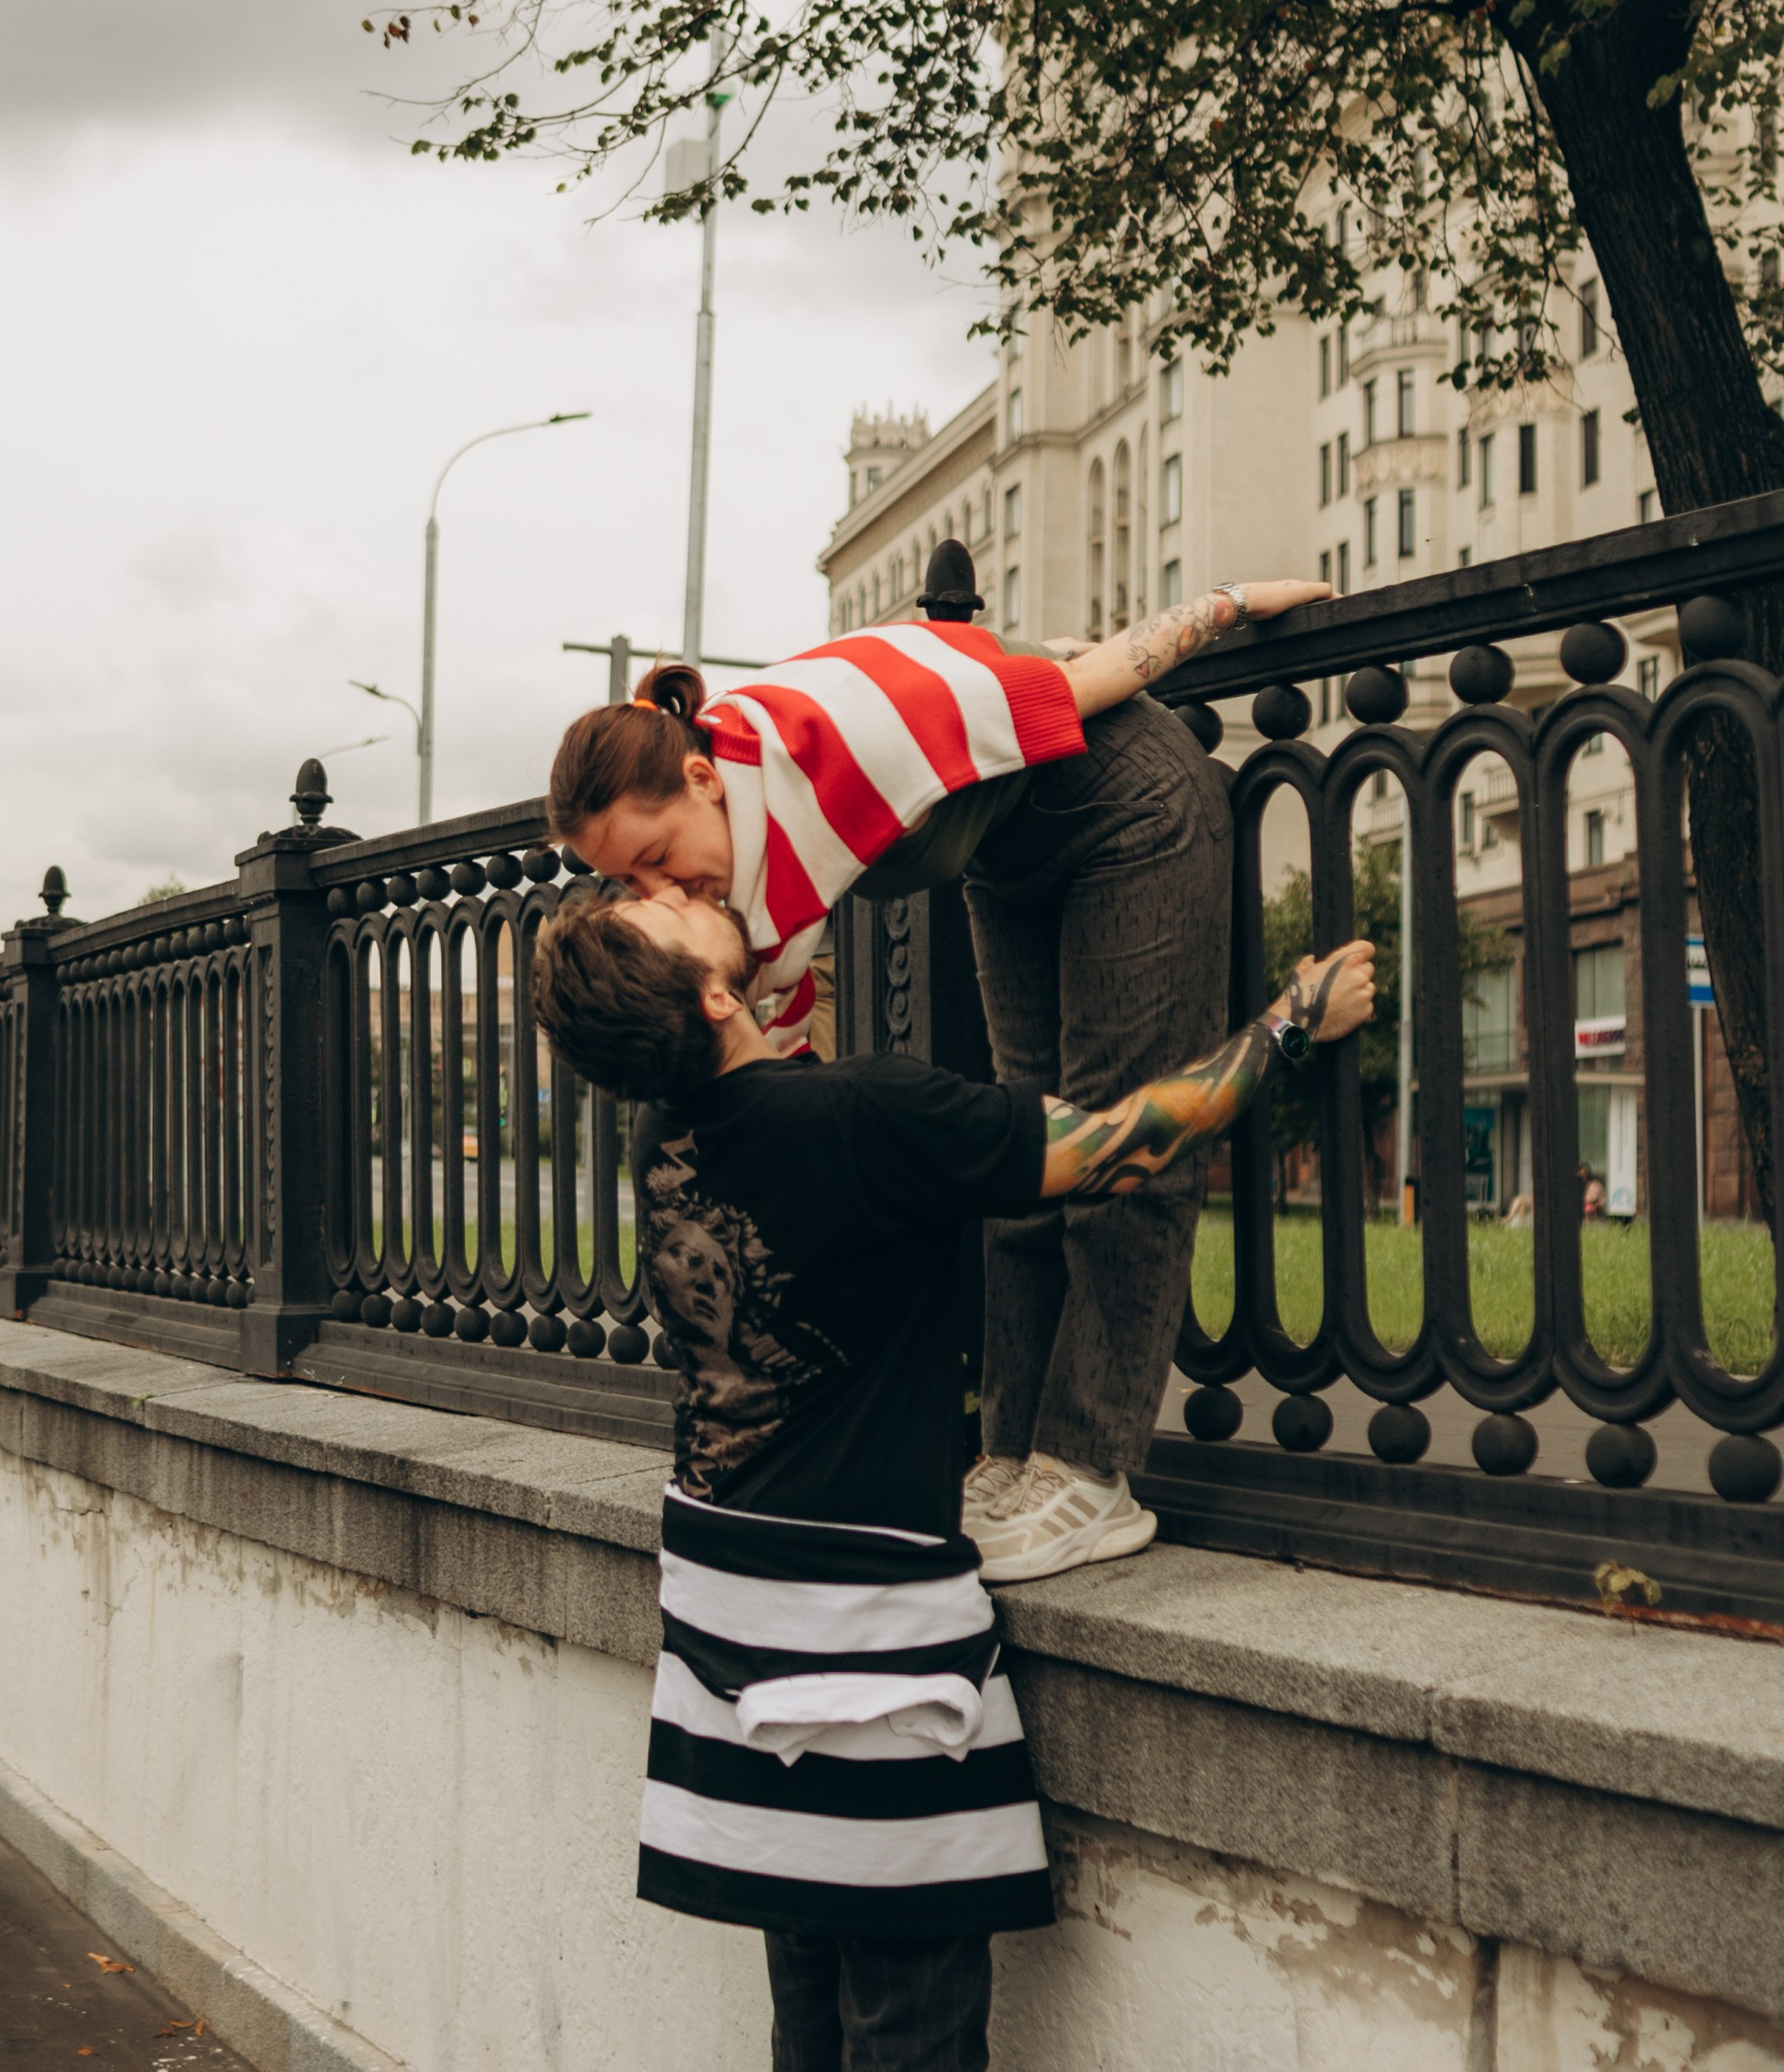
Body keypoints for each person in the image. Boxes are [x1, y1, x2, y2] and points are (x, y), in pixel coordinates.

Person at [530, 876, 1373, 2072]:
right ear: (703, 996)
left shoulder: (679, 1135)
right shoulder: (857, 1115)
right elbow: (1128, 1142)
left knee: (812, 1972)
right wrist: (1289, 1022)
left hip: (732, 1596)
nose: (709, 900)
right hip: (863, 1621)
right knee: (910, 2017)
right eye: (683, 911)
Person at [546, 572, 1330, 1583]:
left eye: (655, 859)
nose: (660, 892)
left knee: (1109, 1134)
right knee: (1018, 1145)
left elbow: (1087, 682)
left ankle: (1092, 1469)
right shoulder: (725, 884)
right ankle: (1011, 1451)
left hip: (1126, 804)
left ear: (703, 777)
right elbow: (769, 1080)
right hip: (1006, 856)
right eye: (629, 883)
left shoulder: (848, 732)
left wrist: (1228, 602)